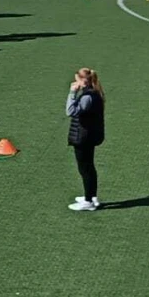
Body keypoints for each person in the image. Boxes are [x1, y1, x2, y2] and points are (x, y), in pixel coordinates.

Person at [66, 68, 106, 212]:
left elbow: (70, 111)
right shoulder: (95, 93)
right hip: (89, 136)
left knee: (85, 168)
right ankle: (91, 196)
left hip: (83, 138)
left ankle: (88, 201)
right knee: (89, 167)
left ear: (83, 81)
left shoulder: (87, 97)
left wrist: (72, 93)